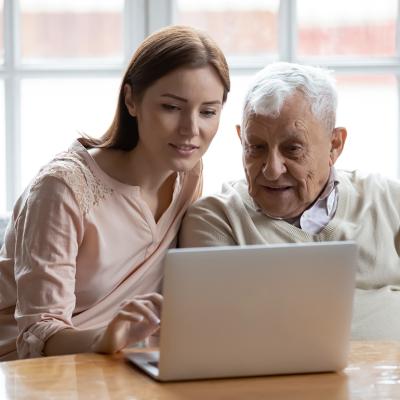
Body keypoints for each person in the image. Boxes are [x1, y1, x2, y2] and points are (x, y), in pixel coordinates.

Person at [0, 25, 230, 361]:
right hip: (30, 369)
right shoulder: (61, 190)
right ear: (131, 100)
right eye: (171, 107)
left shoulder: (188, 175)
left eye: (208, 111)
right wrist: (105, 339)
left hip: (123, 361)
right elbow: (38, 336)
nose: (191, 130)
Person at [180, 61, 400, 340]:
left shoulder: (391, 202)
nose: (271, 169)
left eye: (293, 149)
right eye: (256, 148)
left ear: (335, 145)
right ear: (241, 140)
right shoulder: (216, 219)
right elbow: (220, 335)